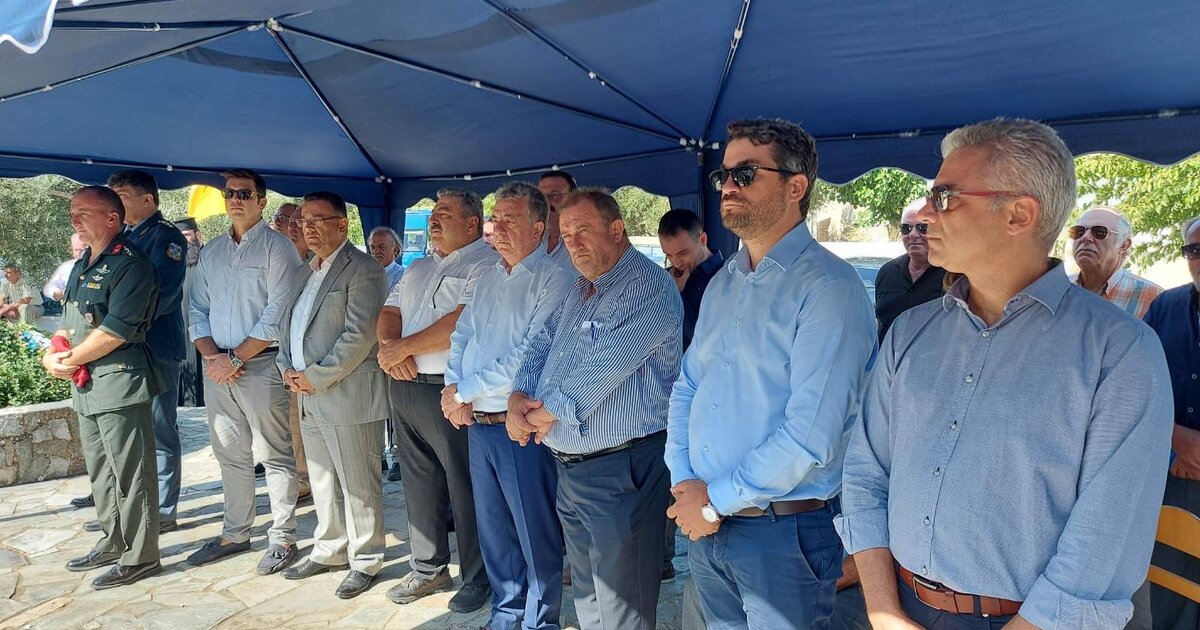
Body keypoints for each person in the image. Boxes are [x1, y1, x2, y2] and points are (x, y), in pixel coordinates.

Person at [837, 118, 1174, 630]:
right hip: (897, 606)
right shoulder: (910, 332)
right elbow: (866, 474)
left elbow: (1103, 543)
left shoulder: (1121, 352)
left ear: (1019, 214)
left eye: (945, 197)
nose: (924, 214)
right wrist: (884, 612)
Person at [666, 118, 875, 629]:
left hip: (781, 533)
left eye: (745, 174)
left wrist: (712, 502)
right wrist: (684, 480)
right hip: (709, 520)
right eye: (723, 176)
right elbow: (689, 385)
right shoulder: (724, 281)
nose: (728, 187)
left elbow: (810, 436)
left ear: (795, 186)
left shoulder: (830, 287)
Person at [510, 186, 682, 630]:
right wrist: (517, 396)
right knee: (589, 598)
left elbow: (604, 368)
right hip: (571, 468)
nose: (573, 243)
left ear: (617, 229)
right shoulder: (579, 289)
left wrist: (537, 416)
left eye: (583, 230)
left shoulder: (649, 286)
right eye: (566, 234)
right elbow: (542, 342)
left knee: (621, 606)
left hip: (622, 470)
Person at [443, 182, 574, 630]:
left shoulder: (555, 279)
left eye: (509, 220)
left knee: (533, 531)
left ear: (538, 227)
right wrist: (453, 387)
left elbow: (529, 354)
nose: (497, 228)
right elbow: (462, 334)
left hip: (517, 426)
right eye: (495, 219)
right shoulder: (489, 276)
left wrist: (464, 391)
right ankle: (507, 613)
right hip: (479, 423)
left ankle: (540, 620)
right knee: (495, 529)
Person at [378, 187, 497, 612]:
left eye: (444, 212)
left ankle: (477, 577)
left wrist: (401, 349)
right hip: (406, 385)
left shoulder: (486, 265)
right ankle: (428, 568)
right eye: (433, 213)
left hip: (449, 392)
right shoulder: (418, 266)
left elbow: (461, 321)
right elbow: (389, 312)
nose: (434, 219)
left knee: (466, 489)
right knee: (418, 482)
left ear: (471, 222)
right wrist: (390, 349)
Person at [46, 186, 163, 588]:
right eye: (72, 212)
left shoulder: (132, 265)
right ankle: (114, 541)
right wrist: (52, 355)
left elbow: (115, 331)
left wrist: (69, 360)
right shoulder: (83, 263)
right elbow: (67, 323)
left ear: (112, 218)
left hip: (119, 381)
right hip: (87, 384)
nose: (74, 219)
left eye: (83, 212)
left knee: (132, 473)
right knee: (101, 471)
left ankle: (141, 555)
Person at [276, 192, 390, 600]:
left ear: (342, 225)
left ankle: (366, 559)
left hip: (347, 394)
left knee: (358, 483)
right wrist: (286, 368)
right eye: (303, 221)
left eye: (316, 220)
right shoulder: (306, 270)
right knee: (322, 478)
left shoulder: (364, 268)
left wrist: (314, 377)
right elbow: (287, 326)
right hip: (307, 392)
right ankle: (330, 549)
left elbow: (359, 335)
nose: (306, 227)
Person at [187, 168, 302, 574]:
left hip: (260, 366)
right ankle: (235, 533)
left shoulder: (278, 248)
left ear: (261, 201)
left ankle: (283, 537)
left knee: (274, 454)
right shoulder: (213, 252)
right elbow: (197, 309)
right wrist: (214, 358)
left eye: (244, 193)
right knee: (230, 453)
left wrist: (235, 359)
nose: (235, 199)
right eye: (230, 193)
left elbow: (278, 312)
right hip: (218, 368)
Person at [100, 169, 188, 535]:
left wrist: (119, 326)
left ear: (147, 199)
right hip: (126, 348)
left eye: (121, 196)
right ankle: (131, 504)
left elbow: (162, 295)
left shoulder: (167, 238)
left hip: (156, 347)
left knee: (160, 429)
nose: (114, 204)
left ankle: (163, 510)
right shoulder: (122, 237)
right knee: (129, 432)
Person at [1142, 218, 1200, 630]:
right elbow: (1136, 385)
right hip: (1172, 479)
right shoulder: (1166, 306)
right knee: (1171, 600)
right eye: (1194, 250)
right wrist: (1177, 439)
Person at [1069, 205, 1162, 318]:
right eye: (1078, 231)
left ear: (1123, 245)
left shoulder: (1153, 299)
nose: (1085, 237)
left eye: (1099, 232)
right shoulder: (1058, 288)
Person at [874, 198, 947, 341]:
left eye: (922, 227)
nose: (913, 234)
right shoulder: (887, 272)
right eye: (906, 228)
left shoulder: (953, 276)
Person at [367, 225, 406, 482]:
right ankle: (377, 454)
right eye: (373, 247)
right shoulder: (364, 275)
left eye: (382, 246)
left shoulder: (404, 277)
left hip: (393, 349)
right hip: (368, 351)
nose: (376, 251)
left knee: (395, 406)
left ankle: (399, 456)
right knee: (373, 403)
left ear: (396, 249)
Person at [657, 208, 724, 352]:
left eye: (683, 253)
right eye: (669, 255)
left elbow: (705, 340)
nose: (677, 263)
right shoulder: (666, 276)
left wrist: (675, 294)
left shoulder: (727, 278)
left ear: (702, 240)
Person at [175, 217, 205, 407]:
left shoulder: (209, 261)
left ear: (198, 236)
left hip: (205, 332)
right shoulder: (173, 266)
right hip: (180, 330)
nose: (183, 241)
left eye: (186, 235)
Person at [537, 171, 576, 268]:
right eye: (541, 197)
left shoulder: (587, 240)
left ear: (574, 197)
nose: (546, 202)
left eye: (555, 195)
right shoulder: (531, 239)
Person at [44, 233, 87, 302]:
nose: (78, 253)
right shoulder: (67, 267)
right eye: (76, 250)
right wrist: (59, 292)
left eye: (82, 250)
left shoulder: (102, 266)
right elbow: (48, 288)